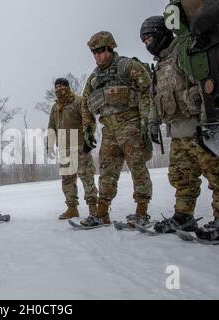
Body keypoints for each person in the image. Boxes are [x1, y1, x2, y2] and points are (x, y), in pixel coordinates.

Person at [140, 15, 219, 240]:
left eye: (149, 38)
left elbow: (204, 83)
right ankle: (183, 216)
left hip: (201, 127)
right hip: (178, 133)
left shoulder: (186, 51)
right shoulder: (159, 65)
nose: (147, 45)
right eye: (144, 41)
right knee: (181, 178)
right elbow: (154, 98)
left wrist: (209, 122)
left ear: (161, 33)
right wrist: (152, 122)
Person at [80, 31, 153, 227]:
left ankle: (142, 212)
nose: (97, 56)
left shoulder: (127, 66)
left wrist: (147, 120)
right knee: (107, 170)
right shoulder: (95, 77)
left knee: (137, 167)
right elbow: (86, 104)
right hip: (109, 130)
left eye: (101, 51)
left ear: (110, 49)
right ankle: (101, 213)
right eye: (94, 52)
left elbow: (147, 89)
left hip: (131, 124)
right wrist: (88, 128)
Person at [47, 78, 98, 220]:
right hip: (64, 148)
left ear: (68, 87)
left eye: (61, 86)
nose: (58, 89)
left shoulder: (79, 101)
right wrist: (50, 143)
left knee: (87, 177)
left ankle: (93, 208)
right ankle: (72, 208)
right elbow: (51, 126)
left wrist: (89, 138)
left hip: (80, 146)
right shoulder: (55, 107)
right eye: (56, 87)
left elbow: (89, 121)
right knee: (67, 180)